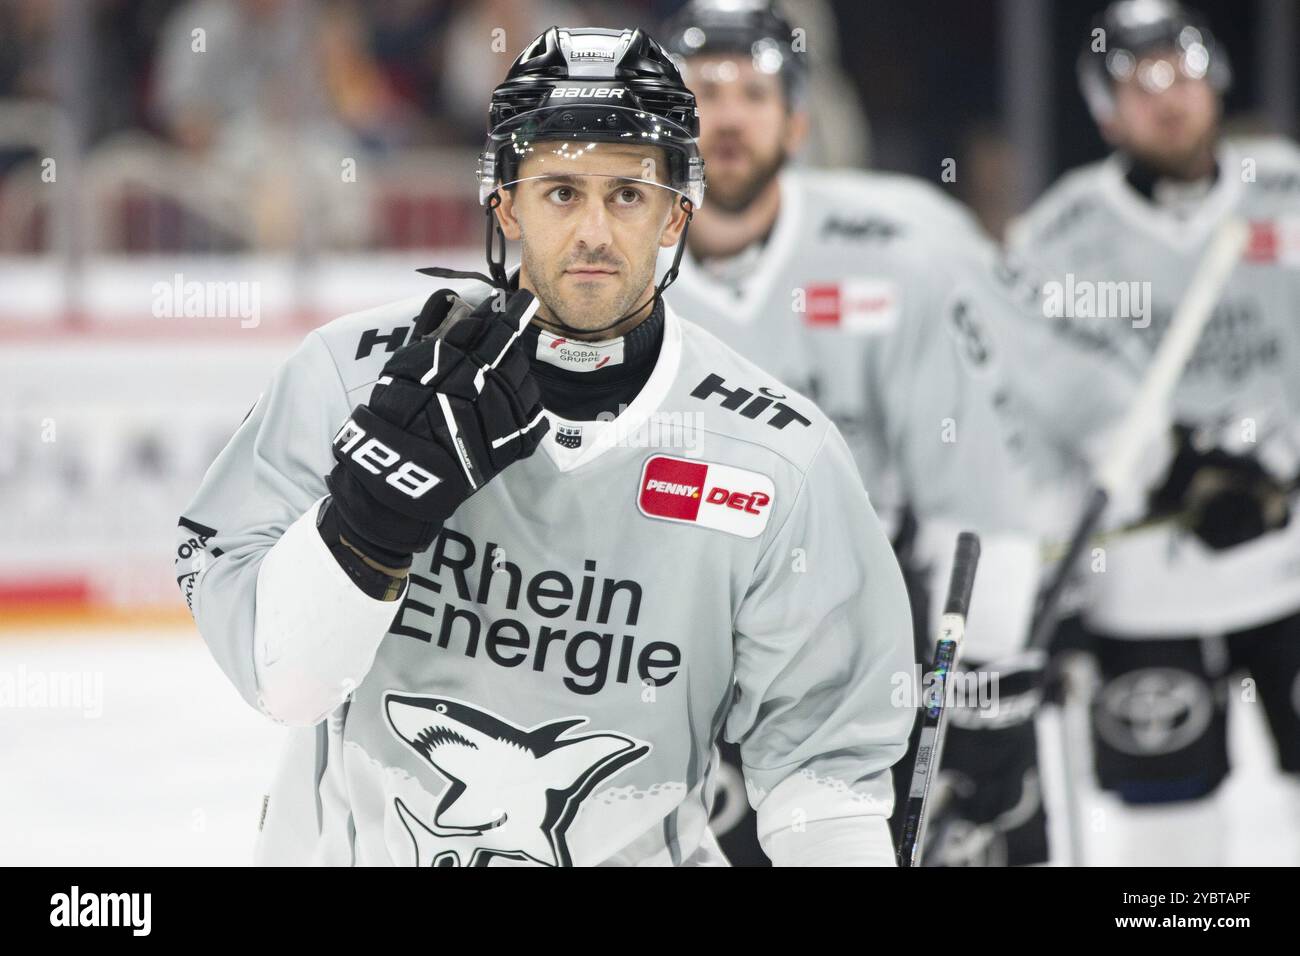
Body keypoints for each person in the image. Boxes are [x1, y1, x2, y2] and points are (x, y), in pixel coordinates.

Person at [175, 25, 915, 867]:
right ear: (504, 201)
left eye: (628, 194)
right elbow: (287, 684)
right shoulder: (348, 381)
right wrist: (364, 529)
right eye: (561, 191)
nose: (595, 232)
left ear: (679, 208)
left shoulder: (779, 456)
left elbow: (822, 771)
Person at [660, 0, 1045, 865]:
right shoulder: (607, 268)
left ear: (797, 122)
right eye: (704, 90)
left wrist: (976, 678)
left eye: (753, 94)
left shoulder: (895, 257)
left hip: (864, 641)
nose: (726, 116)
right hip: (672, 648)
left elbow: (971, 488)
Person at [1002, 0, 1300, 865]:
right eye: (1139, 82)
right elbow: (1031, 400)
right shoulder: (1057, 238)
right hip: (1144, 586)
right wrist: (1163, 471)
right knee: (1168, 832)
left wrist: (1270, 464)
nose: (1166, 97)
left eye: (1182, 72)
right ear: (1105, 109)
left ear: (1218, 82)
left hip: (1290, 565)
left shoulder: (1287, 191)